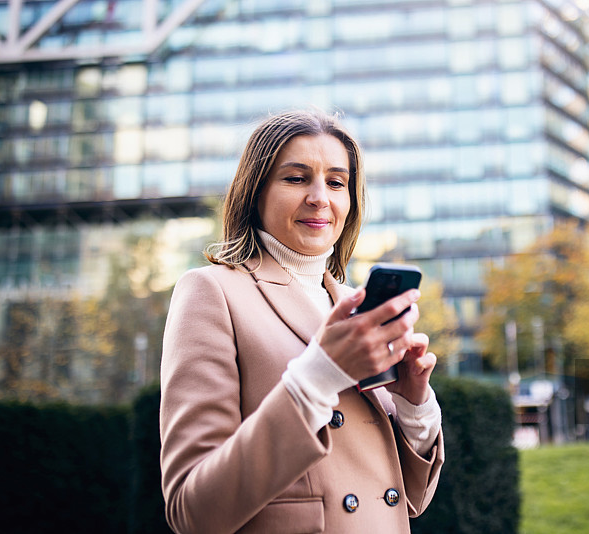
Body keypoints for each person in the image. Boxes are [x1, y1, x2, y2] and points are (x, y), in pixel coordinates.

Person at [159, 109, 444, 534]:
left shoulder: (354, 305)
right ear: (255, 192)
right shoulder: (212, 291)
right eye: (295, 178)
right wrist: (320, 374)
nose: (319, 198)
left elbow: (410, 499)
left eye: (335, 182)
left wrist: (413, 403)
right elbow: (193, 511)